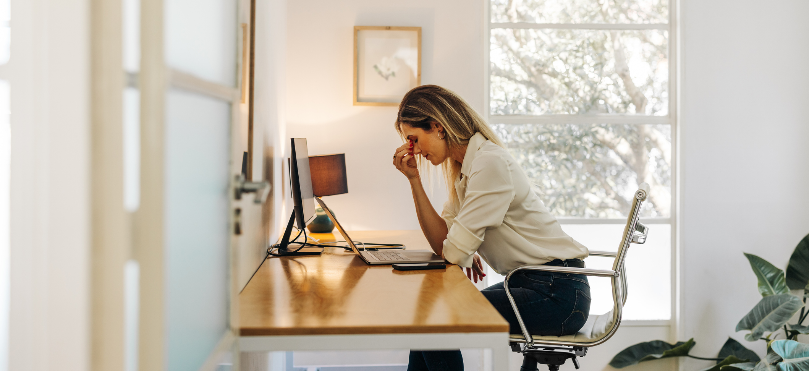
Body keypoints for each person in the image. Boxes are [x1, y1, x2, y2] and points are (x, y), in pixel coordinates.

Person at [391, 85, 591, 371]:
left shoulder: (489, 163)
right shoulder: (466, 169)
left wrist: (459, 248)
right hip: (531, 283)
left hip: (557, 294)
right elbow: (444, 244)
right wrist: (414, 180)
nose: (415, 150)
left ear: (437, 127)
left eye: (415, 139)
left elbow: (452, 254)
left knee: (434, 319)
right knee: (430, 320)